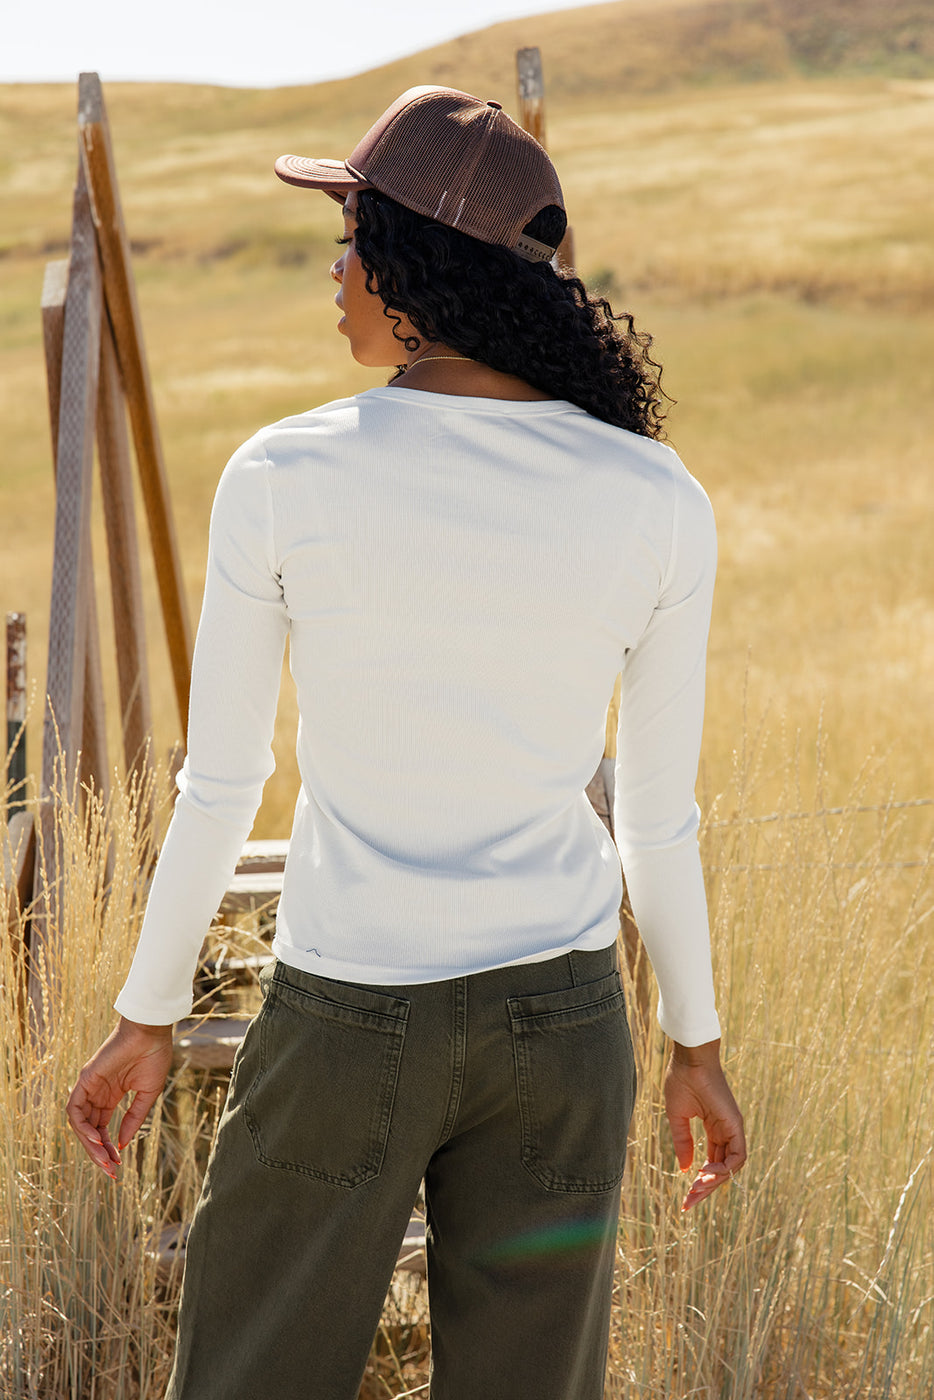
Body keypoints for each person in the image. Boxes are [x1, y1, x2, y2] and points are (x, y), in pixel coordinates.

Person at [67, 85, 746, 1400]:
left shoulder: (283, 476)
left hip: (346, 1025)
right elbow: (658, 815)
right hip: (561, 1032)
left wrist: (147, 1013)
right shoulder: (655, 495)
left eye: (350, 234)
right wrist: (695, 1047)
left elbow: (224, 783)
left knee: (249, 1374)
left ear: (412, 263)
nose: (335, 271)